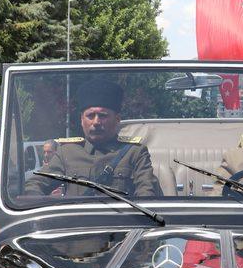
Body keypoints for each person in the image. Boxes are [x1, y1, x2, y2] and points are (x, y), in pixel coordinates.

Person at [26, 78, 161, 198]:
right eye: (90, 115)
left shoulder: (135, 153)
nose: (96, 122)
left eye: (103, 116)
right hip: (77, 225)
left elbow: (147, 194)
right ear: (81, 120)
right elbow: (35, 185)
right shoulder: (67, 153)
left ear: (117, 119)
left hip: (120, 224)